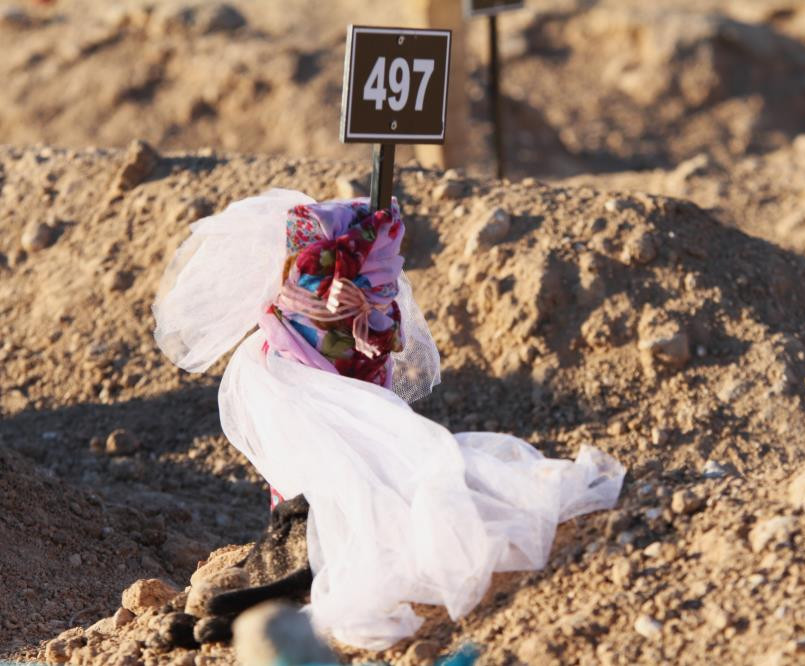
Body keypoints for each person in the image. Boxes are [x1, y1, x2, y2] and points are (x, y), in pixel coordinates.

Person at [153, 189, 624, 649]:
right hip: (306, 362)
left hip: (324, 370)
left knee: (356, 503)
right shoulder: (278, 366)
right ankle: (275, 584)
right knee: (331, 491)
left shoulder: (297, 359)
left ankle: (278, 588)